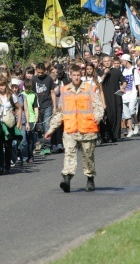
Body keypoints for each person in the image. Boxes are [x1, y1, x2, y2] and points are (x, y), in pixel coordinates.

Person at [45, 65, 104, 193]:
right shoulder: (65, 90)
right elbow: (61, 112)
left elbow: (99, 106)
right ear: (70, 76)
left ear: (81, 75)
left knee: (88, 156)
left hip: (87, 128)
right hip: (70, 129)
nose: (76, 78)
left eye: (78, 75)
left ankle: (90, 179)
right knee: (69, 154)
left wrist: (98, 117)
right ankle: (66, 180)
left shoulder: (90, 89)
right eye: (74, 75)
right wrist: (51, 128)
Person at [0, 76, 23, 175]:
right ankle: (0, 166)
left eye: (3, 85)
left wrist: (19, 122)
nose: (1, 87)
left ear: (6, 86)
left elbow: (19, 108)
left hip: (8, 123)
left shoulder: (12, 96)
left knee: (8, 145)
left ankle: (7, 166)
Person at [100, 55, 125, 142]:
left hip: (116, 96)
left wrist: (123, 87)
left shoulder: (116, 71)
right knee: (108, 116)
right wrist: (104, 74)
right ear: (103, 63)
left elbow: (124, 81)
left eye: (108, 61)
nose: (107, 62)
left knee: (117, 115)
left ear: (111, 62)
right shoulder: (100, 72)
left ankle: (115, 135)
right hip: (105, 97)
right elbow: (99, 82)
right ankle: (107, 134)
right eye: (105, 61)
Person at [33, 63, 56, 155]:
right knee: (39, 127)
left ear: (45, 71)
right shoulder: (34, 79)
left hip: (47, 105)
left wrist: (54, 106)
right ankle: (42, 145)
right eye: (38, 72)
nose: (40, 74)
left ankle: (47, 146)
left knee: (47, 125)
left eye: (41, 73)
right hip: (37, 106)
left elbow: (52, 92)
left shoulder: (49, 79)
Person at [120, 54, 140, 137]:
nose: (121, 63)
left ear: (126, 61)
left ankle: (137, 124)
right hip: (125, 94)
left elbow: (138, 83)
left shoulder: (134, 70)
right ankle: (130, 129)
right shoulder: (123, 71)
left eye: (122, 61)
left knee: (132, 110)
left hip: (132, 93)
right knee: (126, 114)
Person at [21, 78, 39, 163]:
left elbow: (35, 107)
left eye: (29, 88)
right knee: (24, 139)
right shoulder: (21, 94)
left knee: (31, 139)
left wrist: (36, 117)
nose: (27, 90)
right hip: (24, 118)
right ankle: (24, 155)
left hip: (31, 118)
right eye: (26, 88)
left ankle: (30, 156)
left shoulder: (34, 95)